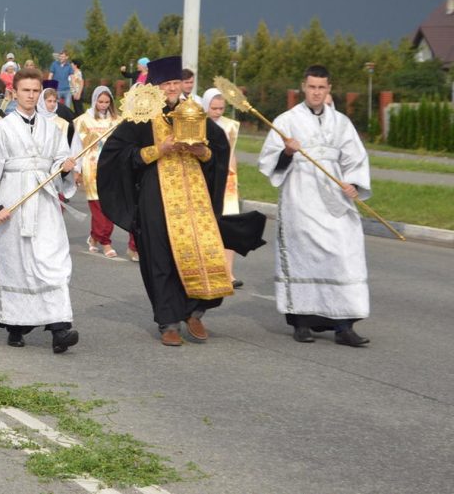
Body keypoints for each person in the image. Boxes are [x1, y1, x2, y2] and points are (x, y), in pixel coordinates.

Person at [97, 56, 232, 346]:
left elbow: (218, 150)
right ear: (156, 87)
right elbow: (118, 155)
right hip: (155, 196)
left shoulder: (194, 112)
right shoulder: (143, 116)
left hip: (193, 197)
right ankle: (168, 321)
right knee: (160, 256)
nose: (171, 88)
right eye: (166, 84)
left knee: (200, 249)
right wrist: (159, 149)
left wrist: (202, 153)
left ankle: (194, 311)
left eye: (175, 83)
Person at [0, 68, 80, 353]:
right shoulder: (0, 129)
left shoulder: (51, 128)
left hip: (43, 204)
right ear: (14, 93)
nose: (30, 95)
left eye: (35, 91)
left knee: (52, 263)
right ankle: (16, 325)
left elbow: (57, 161)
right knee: (16, 266)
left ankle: (60, 329)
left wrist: (64, 167)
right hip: (12, 205)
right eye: (25, 90)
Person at [258, 65, 372, 347]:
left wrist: (353, 185)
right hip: (301, 200)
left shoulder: (342, 122)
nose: (316, 93)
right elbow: (268, 162)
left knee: (345, 256)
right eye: (312, 87)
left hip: (335, 201)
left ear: (329, 89)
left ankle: (344, 326)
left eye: (322, 88)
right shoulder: (286, 121)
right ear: (303, 87)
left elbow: (355, 159)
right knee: (303, 257)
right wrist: (286, 151)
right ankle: (302, 323)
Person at [73, 86, 134, 260]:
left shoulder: (117, 121)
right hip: (91, 167)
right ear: (94, 100)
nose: (104, 105)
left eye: (107, 102)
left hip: (112, 168)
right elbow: (76, 147)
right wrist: (77, 170)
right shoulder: (84, 120)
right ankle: (106, 242)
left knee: (109, 206)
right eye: (100, 101)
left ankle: (94, 237)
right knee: (99, 208)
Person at [203, 87, 242, 287]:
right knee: (209, 226)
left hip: (228, 182)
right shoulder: (199, 124)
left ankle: (228, 272)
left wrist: (235, 177)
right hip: (207, 180)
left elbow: (232, 152)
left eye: (221, 108)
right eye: (214, 108)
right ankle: (209, 269)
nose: (218, 112)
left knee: (229, 225)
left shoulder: (230, 126)